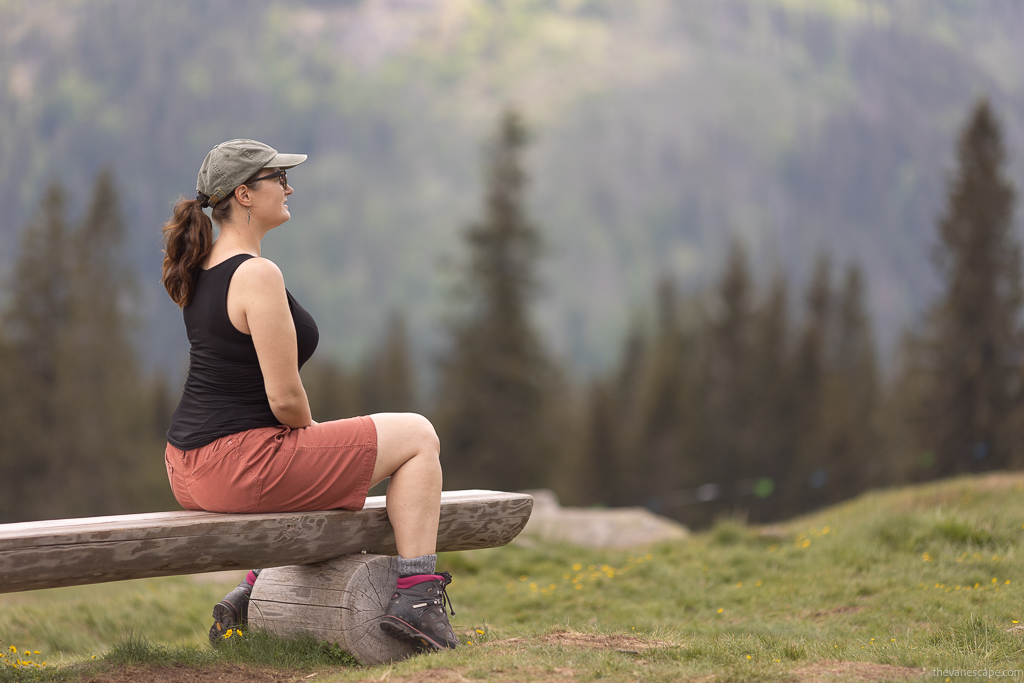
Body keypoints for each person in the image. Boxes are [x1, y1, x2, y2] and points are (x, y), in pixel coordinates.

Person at [160, 139, 458, 651]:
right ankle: (418, 601)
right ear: (245, 194)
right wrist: (313, 435)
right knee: (417, 435)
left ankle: (251, 591)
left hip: (187, 466)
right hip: (239, 465)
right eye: (278, 177)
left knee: (340, 469)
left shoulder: (203, 265)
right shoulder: (256, 274)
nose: (289, 186)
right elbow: (286, 402)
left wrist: (319, 447)